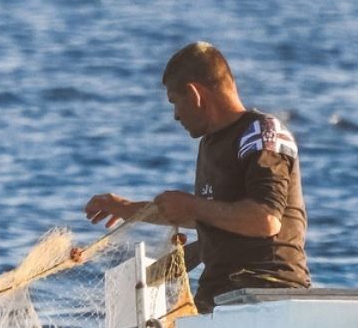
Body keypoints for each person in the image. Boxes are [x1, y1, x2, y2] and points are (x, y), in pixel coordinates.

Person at [84, 42, 310, 313]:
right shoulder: (210, 144)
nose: (176, 115)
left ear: (194, 94)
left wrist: (191, 205)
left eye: (174, 102)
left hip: (268, 294)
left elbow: (266, 220)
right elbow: (215, 216)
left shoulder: (261, 133)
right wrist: (129, 210)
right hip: (217, 296)